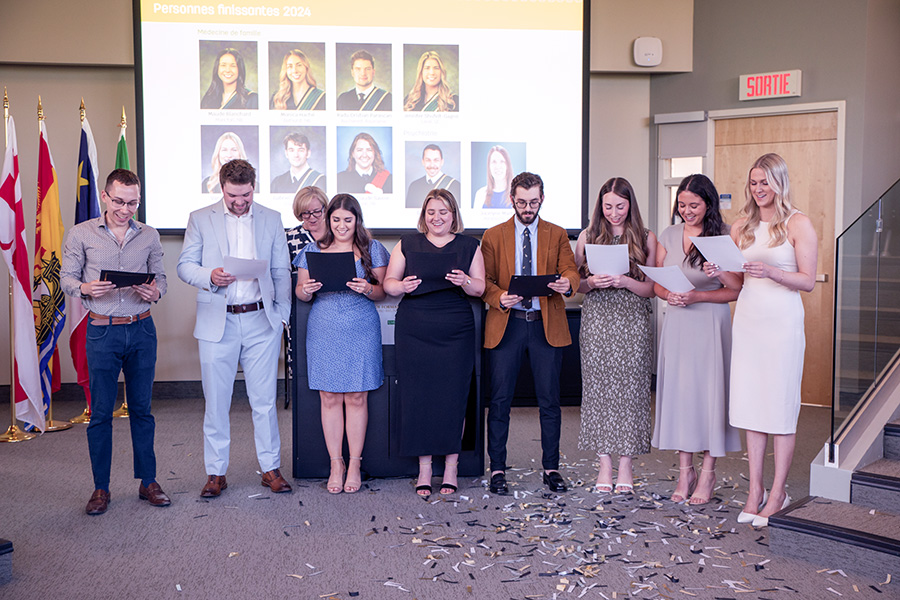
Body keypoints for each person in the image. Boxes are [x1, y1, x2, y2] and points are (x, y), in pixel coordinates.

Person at [703, 153, 817, 527]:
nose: (758, 189)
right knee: (752, 407)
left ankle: (779, 491)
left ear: (779, 182)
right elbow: (738, 284)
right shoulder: (741, 227)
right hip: (749, 321)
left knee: (780, 408)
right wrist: (720, 272)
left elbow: (807, 280)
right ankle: (755, 490)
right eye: (753, 182)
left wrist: (772, 271)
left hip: (782, 323)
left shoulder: (798, 223)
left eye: (765, 182)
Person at [177, 159, 293, 498]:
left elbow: (281, 271)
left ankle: (270, 468)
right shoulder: (200, 218)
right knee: (216, 402)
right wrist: (209, 276)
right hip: (218, 320)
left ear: (253, 188)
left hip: (261, 321)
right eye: (232, 196)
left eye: (245, 195)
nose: (239, 202)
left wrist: (281, 314)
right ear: (221, 188)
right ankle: (216, 473)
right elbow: (185, 266)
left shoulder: (271, 218)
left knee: (264, 401)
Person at [60, 169, 169, 515]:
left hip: (141, 329)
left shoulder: (149, 235)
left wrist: (155, 291)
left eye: (133, 203)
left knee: (142, 410)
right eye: (119, 202)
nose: (126, 209)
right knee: (101, 414)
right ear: (105, 197)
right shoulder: (81, 234)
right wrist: (86, 289)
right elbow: (67, 278)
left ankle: (148, 481)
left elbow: (161, 279)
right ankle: (101, 488)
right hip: (102, 331)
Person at [481, 172, 580, 495]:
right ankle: (497, 469)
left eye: (533, 202)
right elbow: (487, 282)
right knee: (499, 402)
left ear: (542, 199)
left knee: (550, 402)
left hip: (544, 325)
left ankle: (551, 468)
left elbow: (570, 269)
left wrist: (568, 283)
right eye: (522, 202)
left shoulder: (557, 233)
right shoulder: (493, 235)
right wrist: (499, 297)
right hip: (507, 324)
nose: (527, 208)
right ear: (511, 199)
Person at [384, 189, 485, 497]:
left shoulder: (470, 245)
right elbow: (388, 284)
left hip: (455, 329)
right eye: (431, 212)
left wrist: (465, 281)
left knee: (453, 396)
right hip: (415, 327)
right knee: (418, 396)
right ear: (423, 215)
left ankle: (451, 467)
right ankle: (425, 468)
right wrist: (402, 285)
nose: (437, 217)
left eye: (443, 212)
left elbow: (480, 288)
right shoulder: (407, 243)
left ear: (453, 214)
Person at [651, 174, 741, 504]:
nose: (687, 211)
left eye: (694, 205)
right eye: (682, 205)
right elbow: (657, 282)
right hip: (677, 324)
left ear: (708, 204)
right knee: (682, 396)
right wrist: (667, 295)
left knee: (708, 396)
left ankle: (708, 474)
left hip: (710, 325)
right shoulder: (669, 234)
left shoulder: (724, 235)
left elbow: (735, 288)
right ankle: (684, 470)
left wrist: (699, 294)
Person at [295, 194, 390, 494]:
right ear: (328, 220)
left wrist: (368, 287)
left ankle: (355, 464)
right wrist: (306, 289)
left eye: (347, 220)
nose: (341, 225)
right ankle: (336, 463)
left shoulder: (372, 249)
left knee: (357, 396)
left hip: (361, 326)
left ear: (357, 221)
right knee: (329, 396)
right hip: (325, 327)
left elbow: (383, 293)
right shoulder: (313, 250)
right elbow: (300, 293)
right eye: (335, 219)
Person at [576, 177, 657, 494]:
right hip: (597, 320)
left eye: (620, 206)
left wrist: (625, 282)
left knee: (631, 392)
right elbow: (575, 284)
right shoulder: (587, 236)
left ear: (630, 205)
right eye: (608, 206)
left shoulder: (646, 238)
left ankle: (626, 464)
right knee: (598, 392)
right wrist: (592, 283)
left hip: (632, 319)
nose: (614, 213)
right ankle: (604, 465)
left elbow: (652, 289)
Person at [405, 144, 461, 208]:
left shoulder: (455, 185)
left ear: (442, 162)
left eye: (436, 160)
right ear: (423, 162)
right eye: (428, 160)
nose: (432, 165)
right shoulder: (414, 186)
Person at [286, 186, 329, 264]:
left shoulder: (335, 233)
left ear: (325, 209)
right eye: (306, 213)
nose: (312, 217)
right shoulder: (289, 237)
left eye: (316, 212)